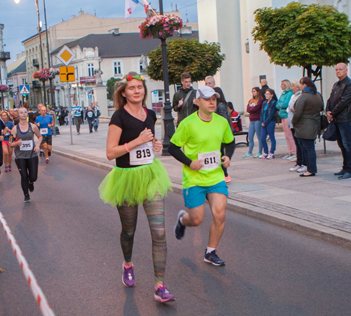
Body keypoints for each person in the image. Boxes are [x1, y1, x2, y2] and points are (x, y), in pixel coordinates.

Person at [99, 73, 173, 303]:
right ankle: (128, 264)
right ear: (123, 92)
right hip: (127, 178)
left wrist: (154, 144)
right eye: (131, 88)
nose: (136, 91)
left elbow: (148, 142)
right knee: (129, 231)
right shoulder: (118, 117)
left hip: (150, 175)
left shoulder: (150, 114)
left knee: (159, 232)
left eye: (139, 87)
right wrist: (136, 142)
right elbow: (110, 152)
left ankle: (160, 285)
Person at [169, 86, 235, 267]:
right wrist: (190, 163)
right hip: (194, 179)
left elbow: (230, 142)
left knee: (220, 215)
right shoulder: (187, 124)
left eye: (214, 99)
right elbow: (173, 147)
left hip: (216, 177)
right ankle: (182, 220)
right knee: (196, 219)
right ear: (197, 102)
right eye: (207, 99)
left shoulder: (221, 122)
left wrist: (228, 156)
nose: (212, 102)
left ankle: (210, 252)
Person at [326, 62, 351, 179]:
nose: (338, 71)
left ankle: (350, 170)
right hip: (336, 119)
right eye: (336, 69)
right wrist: (328, 111)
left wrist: (332, 113)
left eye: (340, 69)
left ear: (346, 70)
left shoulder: (350, 84)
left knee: (347, 144)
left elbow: (344, 102)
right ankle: (345, 167)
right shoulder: (336, 84)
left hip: (344, 118)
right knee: (341, 145)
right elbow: (330, 99)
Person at [291, 77, 324, 177]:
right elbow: (321, 107)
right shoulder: (318, 95)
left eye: (301, 84)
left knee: (307, 148)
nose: (300, 86)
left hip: (304, 125)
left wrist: (294, 122)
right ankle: (310, 168)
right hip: (314, 123)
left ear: (304, 85)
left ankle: (310, 169)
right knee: (310, 147)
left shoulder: (304, 96)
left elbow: (298, 112)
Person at [11, 107, 41, 202]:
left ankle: (31, 182)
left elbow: (40, 137)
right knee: (24, 176)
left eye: (25, 112)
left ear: (27, 114)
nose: (24, 114)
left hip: (32, 155)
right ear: (18, 115)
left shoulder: (33, 127)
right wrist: (17, 143)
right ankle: (26, 195)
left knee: (33, 177)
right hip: (20, 156)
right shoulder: (15, 129)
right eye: (21, 112)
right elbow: (11, 144)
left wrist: (37, 146)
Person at [287, 81, 305, 173]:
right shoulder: (293, 96)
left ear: (298, 87)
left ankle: (303, 163)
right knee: (297, 144)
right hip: (291, 122)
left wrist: (294, 110)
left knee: (301, 144)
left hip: (297, 123)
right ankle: (299, 162)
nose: (292, 88)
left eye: (293, 86)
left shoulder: (300, 96)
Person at [277, 80, 296, 160]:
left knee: (290, 135)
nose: (281, 86)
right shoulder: (283, 94)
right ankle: (290, 151)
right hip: (282, 115)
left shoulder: (289, 93)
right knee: (286, 135)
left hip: (287, 115)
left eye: (282, 84)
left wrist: (281, 105)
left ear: (286, 85)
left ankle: (294, 152)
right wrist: (280, 105)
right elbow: (277, 104)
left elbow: (285, 104)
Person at [259, 87, 278, 159]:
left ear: (272, 95)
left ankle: (271, 152)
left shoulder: (273, 103)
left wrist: (266, 122)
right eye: (265, 94)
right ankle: (265, 152)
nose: (266, 95)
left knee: (271, 137)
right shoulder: (264, 103)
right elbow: (261, 113)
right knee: (262, 138)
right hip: (263, 122)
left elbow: (271, 114)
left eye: (268, 94)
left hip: (270, 122)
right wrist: (262, 121)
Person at [243, 87, 262, 158]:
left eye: (254, 91)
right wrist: (251, 109)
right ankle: (250, 152)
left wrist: (252, 109)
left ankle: (260, 151)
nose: (253, 93)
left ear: (258, 92)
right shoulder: (251, 100)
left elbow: (256, 108)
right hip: (251, 120)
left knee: (259, 136)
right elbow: (248, 109)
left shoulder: (260, 100)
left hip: (257, 120)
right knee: (250, 137)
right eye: (252, 91)